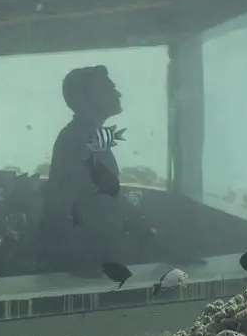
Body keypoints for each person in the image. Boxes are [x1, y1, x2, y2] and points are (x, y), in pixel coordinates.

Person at [35, 65, 164, 277]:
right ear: (83, 100)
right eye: (106, 89)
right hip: (80, 262)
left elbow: (105, 195)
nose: (118, 93)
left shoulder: (86, 137)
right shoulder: (79, 141)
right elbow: (70, 206)